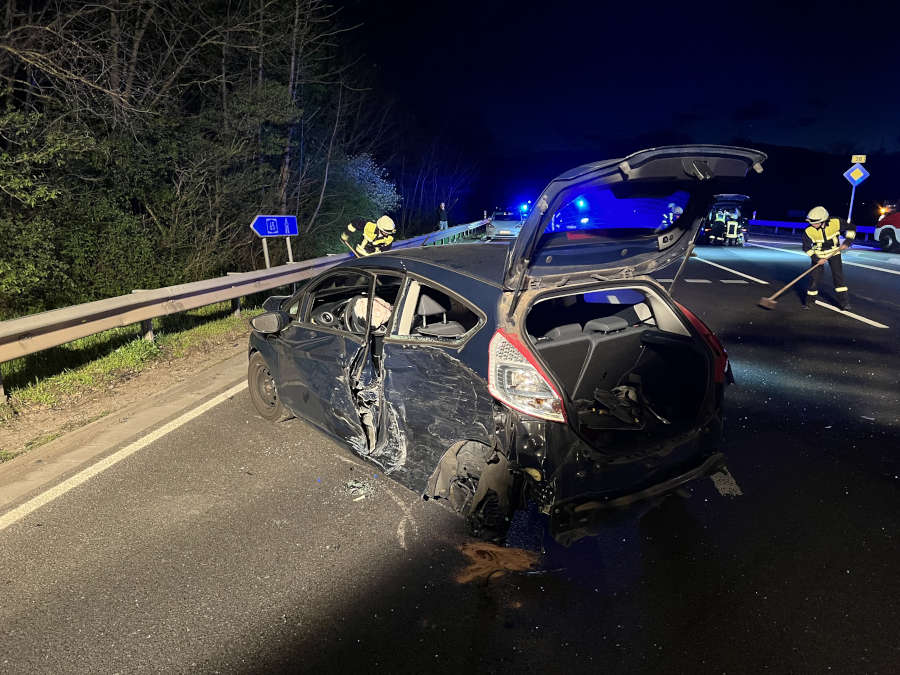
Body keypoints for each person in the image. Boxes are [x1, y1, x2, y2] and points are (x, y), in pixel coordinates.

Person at [801, 206, 855, 310]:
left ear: (823, 221)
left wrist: (847, 242)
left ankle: (844, 303)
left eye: (815, 223)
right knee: (814, 279)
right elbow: (806, 248)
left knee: (839, 278)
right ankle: (809, 303)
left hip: (834, 253)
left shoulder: (836, 222)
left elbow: (852, 228)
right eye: (811, 222)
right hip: (818, 255)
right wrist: (817, 259)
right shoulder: (808, 231)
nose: (813, 225)